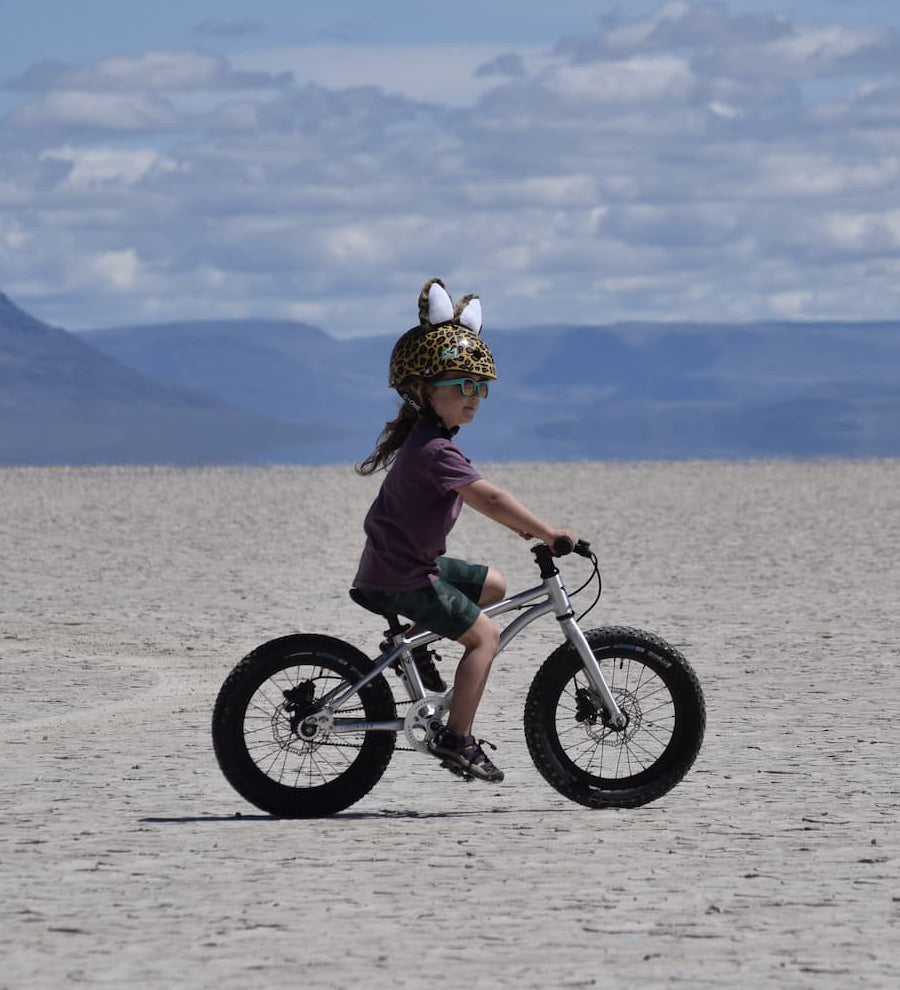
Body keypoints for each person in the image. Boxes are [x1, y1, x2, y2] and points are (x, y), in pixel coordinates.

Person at [352, 278, 572, 783]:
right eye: (461, 386)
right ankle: (458, 738)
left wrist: (527, 529)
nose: (473, 397)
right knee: (484, 637)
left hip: (404, 563)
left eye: (480, 387)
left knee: (493, 585)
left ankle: (413, 645)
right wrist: (544, 530)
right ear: (427, 392)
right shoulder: (435, 450)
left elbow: (480, 498)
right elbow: (488, 497)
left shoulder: (431, 440)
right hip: (403, 574)